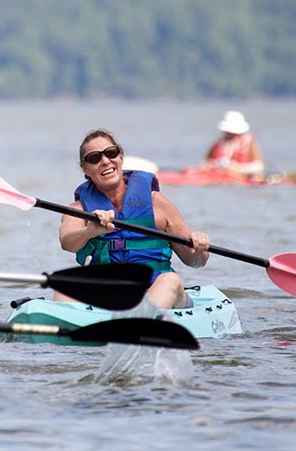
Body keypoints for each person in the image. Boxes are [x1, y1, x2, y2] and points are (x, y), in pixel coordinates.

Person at [58, 128, 211, 310]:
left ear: (120, 157)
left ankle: (137, 323)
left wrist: (200, 251)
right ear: (85, 168)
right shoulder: (79, 210)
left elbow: (194, 261)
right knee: (64, 285)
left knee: (170, 280)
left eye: (111, 153)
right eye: (94, 158)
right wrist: (90, 231)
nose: (105, 161)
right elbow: (67, 242)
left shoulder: (158, 203)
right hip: (109, 293)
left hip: (160, 290)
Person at [205, 110, 265, 178]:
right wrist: (214, 165)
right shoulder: (218, 143)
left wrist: (239, 168)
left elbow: (259, 166)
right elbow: (206, 162)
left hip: (242, 177)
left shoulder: (249, 142)